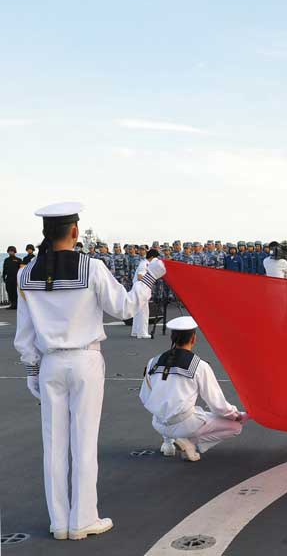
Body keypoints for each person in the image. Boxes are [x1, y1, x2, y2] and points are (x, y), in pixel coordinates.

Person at [14, 202, 165, 541]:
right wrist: (148, 277)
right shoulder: (92, 267)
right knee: (84, 441)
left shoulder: (27, 272)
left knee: (53, 444)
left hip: (49, 362)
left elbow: (24, 334)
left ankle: (60, 522)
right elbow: (124, 306)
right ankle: (83, 519)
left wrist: (31, 369)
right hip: (85, 360)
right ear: (74, 231)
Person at [139, 316, 247, 462]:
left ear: (172, 337)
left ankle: (168, 443)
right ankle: (189, 443)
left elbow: (144, 396)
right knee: (235, 427)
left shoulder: (154, 361)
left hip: (158, 424)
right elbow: (218, 405)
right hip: (184, 425)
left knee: (167, 400)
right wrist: (236, 415)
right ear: (193, 339)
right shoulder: (199, 366)